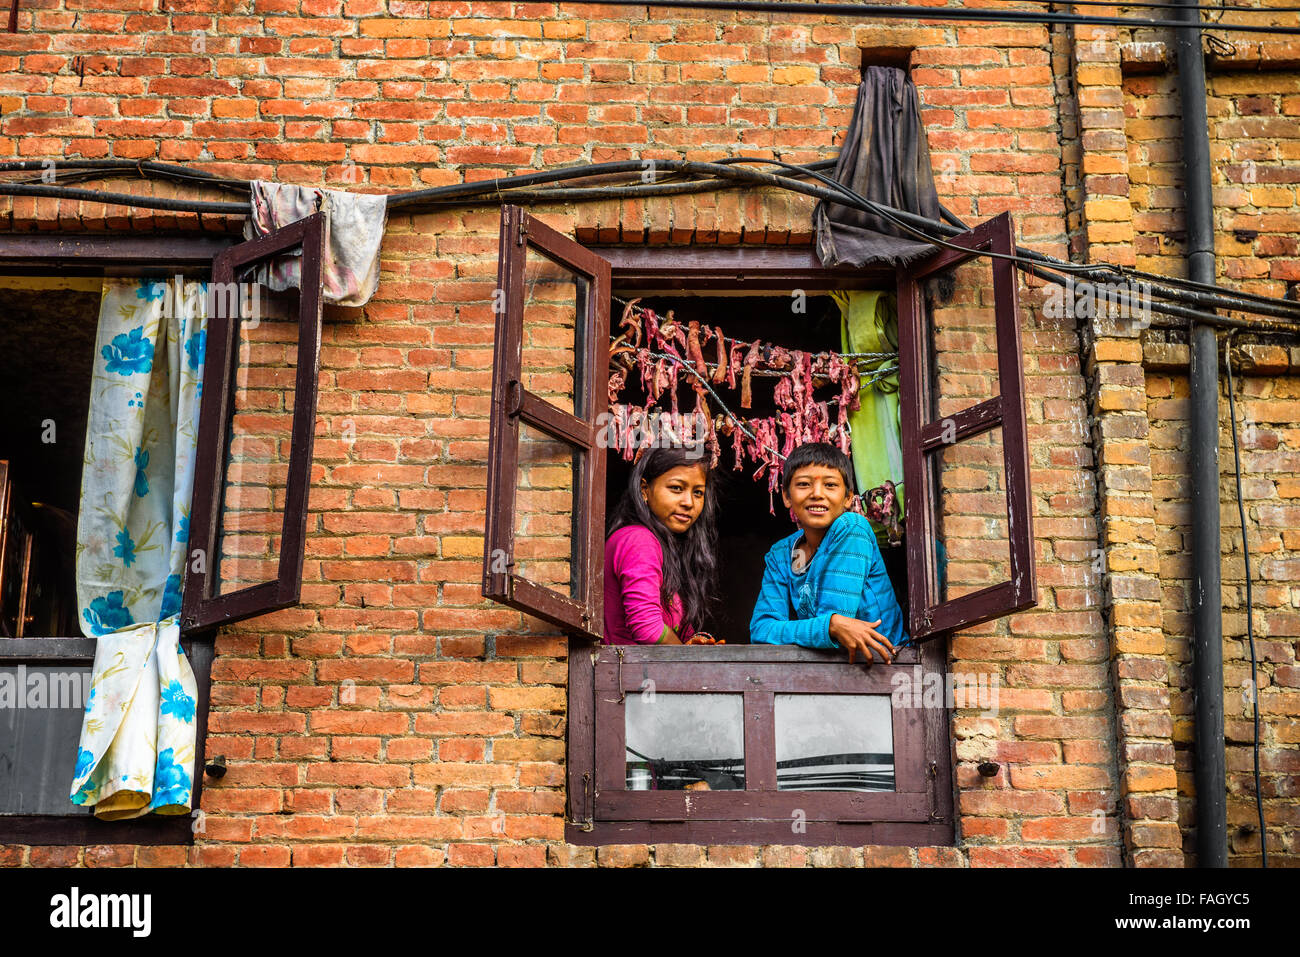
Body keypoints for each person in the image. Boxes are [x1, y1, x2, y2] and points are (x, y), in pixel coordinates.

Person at [750, 442, 909, 663]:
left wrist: (830, 624)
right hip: (832, 670)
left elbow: (837, 620)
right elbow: (761, 630)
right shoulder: (781, 555)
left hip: (888, 667)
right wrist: (831, 625)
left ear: (847, 498)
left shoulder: (853, 529)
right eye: (804, 484)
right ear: (786, 496)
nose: (817, 494)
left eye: (830, 485)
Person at [604, 444, 721, 645]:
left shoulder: (669, 549)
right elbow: (648, 629)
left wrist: (695, 644)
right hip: (625, 674)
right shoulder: (638, 540)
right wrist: (691, 664)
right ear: (645, 490)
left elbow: (679, 634)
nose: (689, 502)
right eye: (676, 488)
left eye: (698, 493)